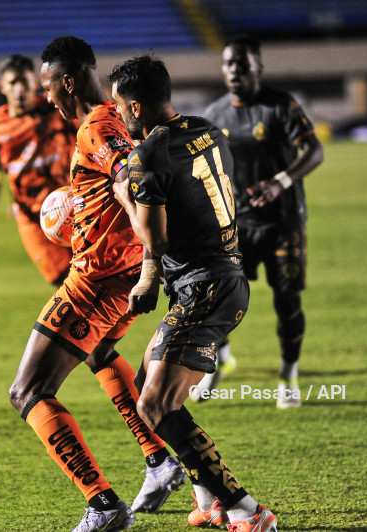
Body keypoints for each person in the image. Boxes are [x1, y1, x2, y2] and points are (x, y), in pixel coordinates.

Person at [8, 37, 186, 532]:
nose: (47, 98)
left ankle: (102, 503)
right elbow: (125, 179)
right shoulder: (114, 118)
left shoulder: (95, 127)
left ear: (67, 82)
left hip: (98, 280)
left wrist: (149, 249)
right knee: (99, 351)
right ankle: (158, 460)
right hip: (124, 275)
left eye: (49, 87)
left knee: (27, 392)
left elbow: (130, 177)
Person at [109, 55, 277, 532]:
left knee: (153, 405)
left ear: (136, 107)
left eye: (121, 108)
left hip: (202, 289)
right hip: (226, 278)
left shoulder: (146, 157)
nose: (120, 117)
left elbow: (155, 240)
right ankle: (207, 501)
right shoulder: (209, 130)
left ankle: (248, 512)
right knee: (151, 390)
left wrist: (125, 193)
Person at [194, 34, 324, 408]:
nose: (234, 69)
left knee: (287, 302)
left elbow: (315, 150)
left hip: (283, 222)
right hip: (236, 226)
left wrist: (281, 182)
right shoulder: (216, 115)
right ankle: (218, 364)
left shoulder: (280, 106)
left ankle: (288, 376)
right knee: (217, 299)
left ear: (258, 67)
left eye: (242, 62)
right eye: (229, 63)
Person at [0, 54, 74, 286]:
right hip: (31, 215)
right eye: (12, 83)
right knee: (63, 281)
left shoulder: (58, 109)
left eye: (25, 82)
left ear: (35, 83)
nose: (19, 89)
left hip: (73, 206)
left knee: (93, 278)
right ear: (2, 87)